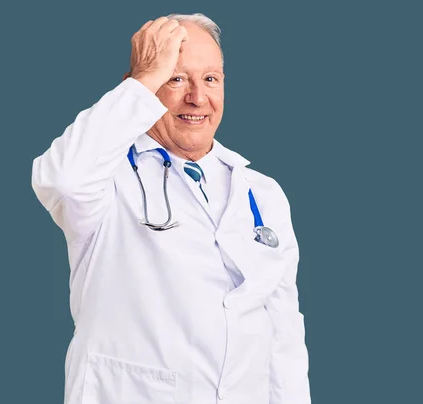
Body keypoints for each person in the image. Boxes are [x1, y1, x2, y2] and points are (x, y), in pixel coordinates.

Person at [31, 13, 311, 404]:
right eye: (176, 78)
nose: (198, 97)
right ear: (140, 89)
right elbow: (59, 179)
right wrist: (144, 77)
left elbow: (284, 337)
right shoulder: (106, 176)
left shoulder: (263, 193)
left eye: (211, 79)